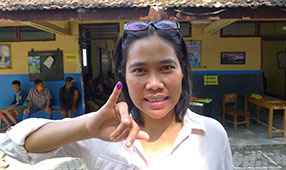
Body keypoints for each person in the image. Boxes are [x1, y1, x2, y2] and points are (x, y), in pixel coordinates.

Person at [0, 20, 233, 170]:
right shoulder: (101, 132)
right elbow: (14, 145)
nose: (154, 84)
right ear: (123, 76)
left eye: (166, 68)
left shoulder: (212, 133)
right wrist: (86, 127)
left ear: (183, 71)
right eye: (139, 70)